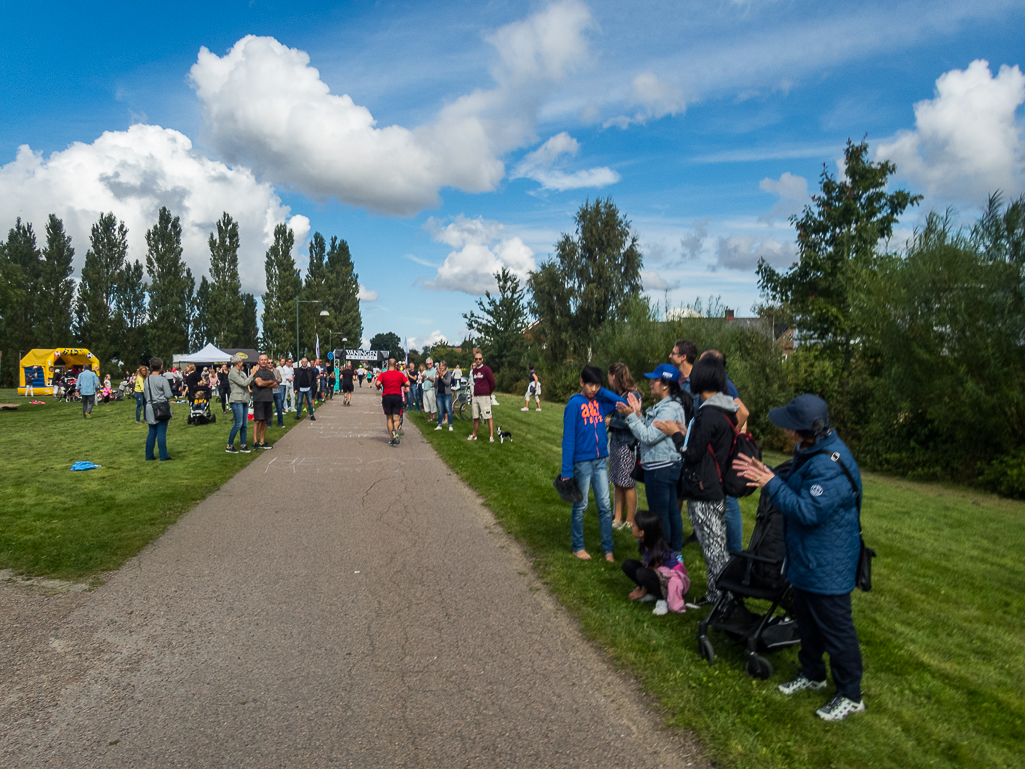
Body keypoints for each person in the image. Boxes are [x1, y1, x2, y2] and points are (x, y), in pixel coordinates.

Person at [734, 394, 865, 722]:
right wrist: (769, 476)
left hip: (829, 563)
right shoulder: (811, 450)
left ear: (807, 430)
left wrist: (772, 484)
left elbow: (808, 510)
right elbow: (794, 488)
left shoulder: (828, 464)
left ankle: (850, 694)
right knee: (807, 622)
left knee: (836, 629)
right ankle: (813, 675)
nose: (785, 429)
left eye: (790, 425)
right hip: (808, 559)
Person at [655, 355, 737, 608]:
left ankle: (726, 600)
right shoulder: (725, 411)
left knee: (714, 550)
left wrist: (675, 436)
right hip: (716, 486)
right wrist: (684, 430)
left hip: (704, 490)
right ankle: (716, 595)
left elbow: (691, 454)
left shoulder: (707, 414)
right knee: (715, 544)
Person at [616, 363, 690, 555]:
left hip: (660, 469)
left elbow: (648, 436)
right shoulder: (668, 405)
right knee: (672, 512)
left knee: (660, 516)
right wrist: (638, 415)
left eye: (655, 379)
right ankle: (675, 555)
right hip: (666, 467)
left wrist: (632, 417)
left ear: (665, 384)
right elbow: (651, 432)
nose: (650, 383)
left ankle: (662, 557)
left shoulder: (668, 410)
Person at [560, 365, 626, 562]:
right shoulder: (574, 405)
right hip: (582, 463)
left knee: (605, 506)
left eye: (597, 386)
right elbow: (568, 438)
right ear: (581, 383)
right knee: (581, 505)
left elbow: (621, 402)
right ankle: (578, 546)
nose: (593, 390)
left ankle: (608, 549)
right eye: (590, 385)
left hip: (600, 462)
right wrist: (567, 470)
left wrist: (603, 391)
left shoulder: (599, 402)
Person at [700, 349, 751, 554]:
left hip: (722, 453)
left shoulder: (724, 385)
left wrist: (725, 433)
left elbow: (743, 412)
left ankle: (734, 552)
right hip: (718, 451)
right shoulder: (719, 383)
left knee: (729, 502)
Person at [621, 509, 688, 616]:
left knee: (641, 573)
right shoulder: (643, 541)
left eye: (634, 525)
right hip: (658, 574)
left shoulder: (657, 551)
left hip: (669, 579)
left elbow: (650, 569)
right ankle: (652, 591)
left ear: (642, 533)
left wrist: (642, 591)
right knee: (627, 565)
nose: (632, 526)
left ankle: (662, 599)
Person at [606, 362, 642, 531]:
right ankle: (617, 517)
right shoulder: (617, 394)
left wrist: (610, 421)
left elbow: (631, 422)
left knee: (627, 483)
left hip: (628, 445)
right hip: (615, 442)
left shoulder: (631, 396)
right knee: (617, 481)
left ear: (614, 376)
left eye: (609, 376)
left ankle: (630, 520)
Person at [144, 357, 173, 461]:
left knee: (151, 433)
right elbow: (169, 395)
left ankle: (149, 456)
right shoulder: (162, 379)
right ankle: (163, 456)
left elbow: (146, 394)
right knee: (161, 432)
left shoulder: (146, 380)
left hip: (150, 407)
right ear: (161, 367)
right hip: (161, 407)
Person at [226, 354, 256, 453]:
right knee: (238, 424)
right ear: (238, 362)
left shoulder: (242, 373)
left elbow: (247, 383)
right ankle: (229, 446)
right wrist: (251, 375)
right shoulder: (232, 373)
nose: (242, 362)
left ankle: (243, 445)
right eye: (241, 361)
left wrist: (252, 377)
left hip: (244, 399)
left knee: (245, 424)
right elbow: (243, 383)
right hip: (236, 399)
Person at [377, 358, 409, 446]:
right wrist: (403, 385)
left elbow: (377, 383)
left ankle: (393, 437)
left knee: (389, 418)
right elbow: (408, 383)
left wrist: (380, 386)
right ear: (396, 365)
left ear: (387, 365)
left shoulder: (383, 374)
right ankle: (396, 430)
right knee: (396, 418)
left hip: (387, 396)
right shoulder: (400, 374)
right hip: (397, 396)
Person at [467, 352, 496, 442]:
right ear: (474, 360)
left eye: (479, 359)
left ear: (482, 359)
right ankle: (474, 435)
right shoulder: (474, 371)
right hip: (475, 395)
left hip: (484, 396)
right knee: (475, 416)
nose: (478, 360)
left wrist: (488, 392)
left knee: (487, 416)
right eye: (476, 359)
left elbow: (492, 383)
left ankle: (491, 436)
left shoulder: (486, 369)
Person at [251, 354, 277, 449]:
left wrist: (265, 383)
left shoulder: (270, 373)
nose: (264, 361)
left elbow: (275, 384)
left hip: (268, 398)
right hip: (259, 399)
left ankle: (262, 441)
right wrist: (269, 382)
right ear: (259, 361)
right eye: (262, 360)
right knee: (257, 420)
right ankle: (255, 442)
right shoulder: (256, 372)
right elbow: (259, 383)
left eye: (265, 360)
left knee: (265, 421)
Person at [433, 361, 454, 431]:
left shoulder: (448, 374)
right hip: (439, 394)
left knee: (448, 409)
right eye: (440, 366)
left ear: (445, 367)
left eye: (442, 366)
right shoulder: (437, 374)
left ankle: (450, 425)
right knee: (440, 410)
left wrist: (442, 377)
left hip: (447, 394)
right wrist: (436, 378)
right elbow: (435, 385)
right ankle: (439, 425)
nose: (441, 367)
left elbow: (447, 383)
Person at [272, 359, 286, 427]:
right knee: (269, 408)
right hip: (269, 391)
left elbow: (280, 379)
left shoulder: (276, 370)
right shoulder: (266, 371)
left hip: (277, 391)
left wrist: (275, 380)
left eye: (272, 362)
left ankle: (280, 423)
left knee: (279, 407)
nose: (270, 364)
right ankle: (269, 423)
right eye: (269, 363)